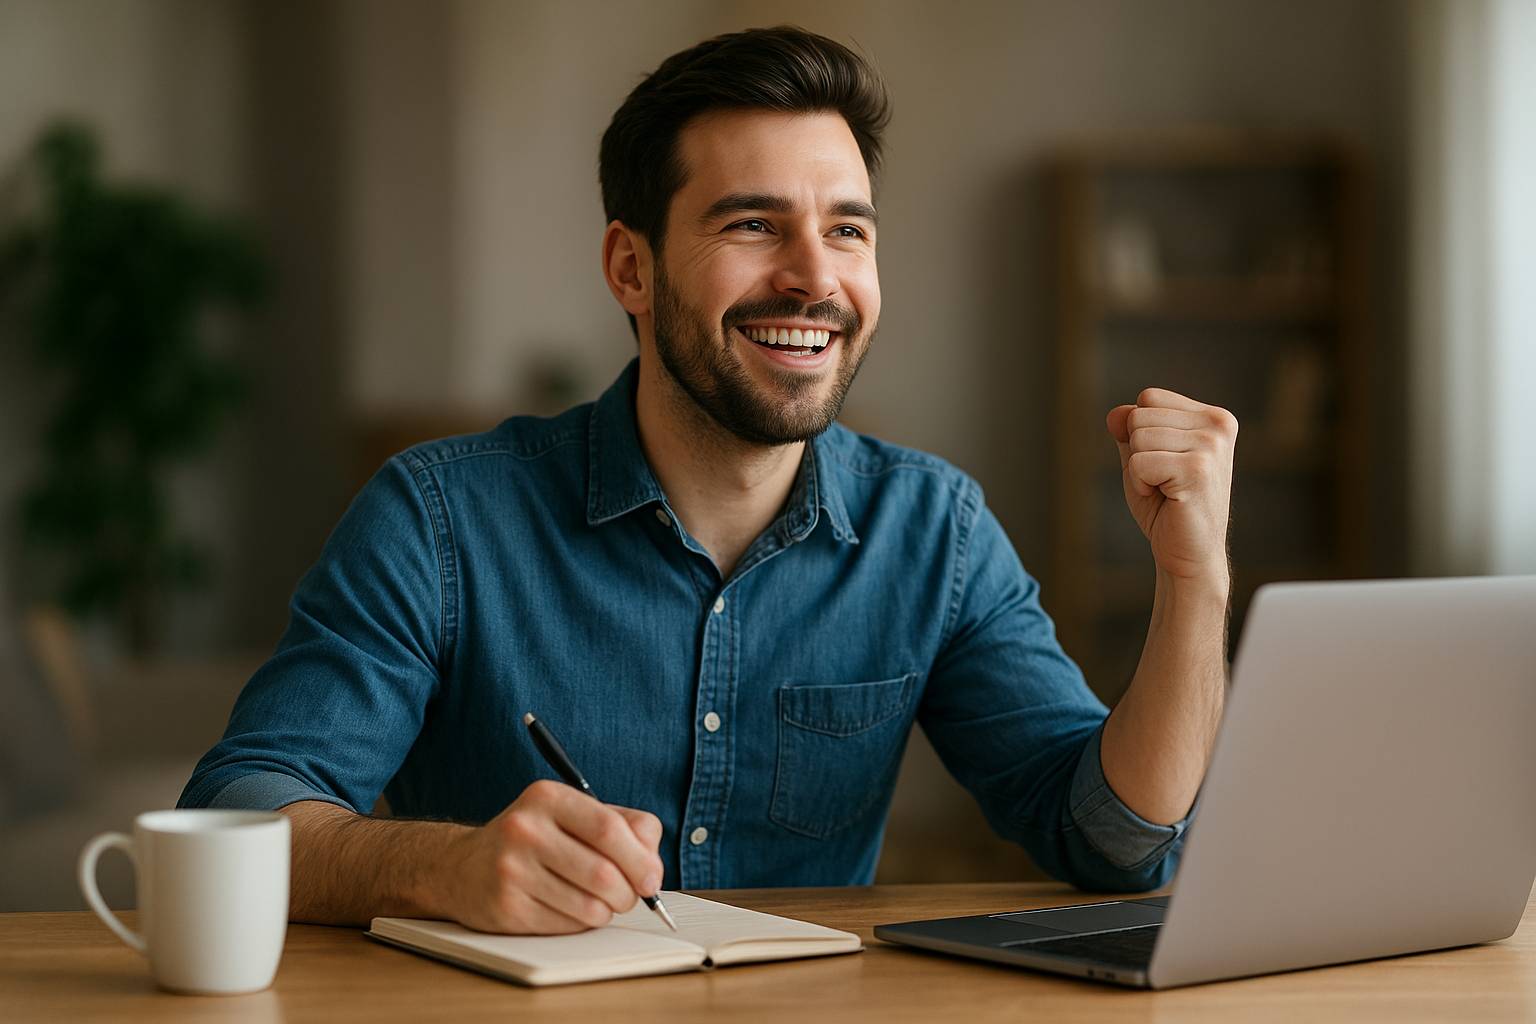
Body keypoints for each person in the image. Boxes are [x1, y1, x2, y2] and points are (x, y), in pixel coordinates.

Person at [180, 26, 1236, 936]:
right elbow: (238, 811)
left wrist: (1195, 585)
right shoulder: (440, 515)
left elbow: (1112, 844)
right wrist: (438, 866)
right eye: (752, 224)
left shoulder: (935, 528)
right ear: (631, 269)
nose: (816, 277)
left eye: (847, 229)